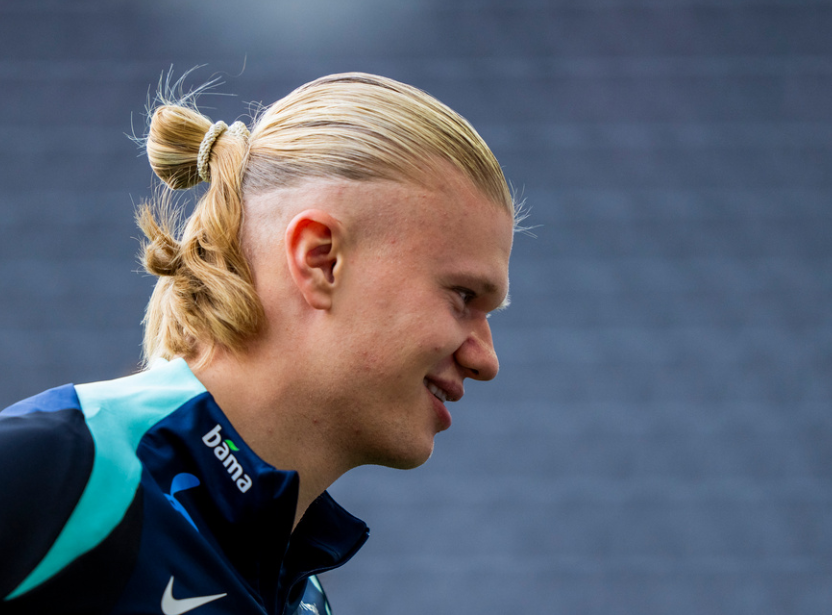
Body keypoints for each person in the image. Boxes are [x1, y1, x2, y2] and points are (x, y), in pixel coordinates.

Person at [0, 72, 519, 615]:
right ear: (321, 261)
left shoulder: (303, 599)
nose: (486, 360)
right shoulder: (67, 468)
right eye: (463, 296)